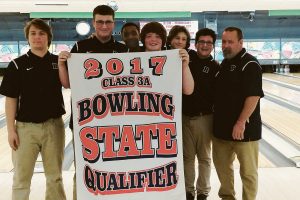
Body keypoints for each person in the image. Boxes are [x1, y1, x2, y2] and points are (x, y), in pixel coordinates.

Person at [58, 5, 128, 200]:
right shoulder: (80, 48)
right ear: (93, 23)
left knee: (113, 170)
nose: (104, 25)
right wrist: (63, 64)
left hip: (114, 123)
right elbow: (67, 83)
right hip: (85, 121)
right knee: (83, 169)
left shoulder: (123, 50)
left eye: (107, 22)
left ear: (113, 23)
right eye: (99, 21)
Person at [0, 18, 66, 200]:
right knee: (21, 179)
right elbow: (11, 99)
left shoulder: (57, 62)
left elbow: (67, 84)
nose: (37, 37)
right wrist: (11, 130)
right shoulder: (16, 65)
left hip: (54, 127)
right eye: (33, 33)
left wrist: (64, 62)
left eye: (42, 33)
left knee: (55, 178)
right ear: (28, 38)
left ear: (48, 37)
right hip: (25, 129)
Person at [213, 27, 264, 200]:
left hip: (245, 131)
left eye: (230, 42)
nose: (226, 45)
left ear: (241, 43)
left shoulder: (250, 64)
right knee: (222, 168)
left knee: (248, 172)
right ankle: (227, 197)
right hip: (221, 130)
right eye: (224, 42)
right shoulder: (224, 64)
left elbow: (254, 95)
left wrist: (240, 122)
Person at [168, 27, 219, 200]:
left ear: (213, 45)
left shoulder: (215, 66)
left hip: (205, 118)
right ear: (195, 44)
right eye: (201, 42)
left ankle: (203, 192)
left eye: (209, 43)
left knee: (204, 158)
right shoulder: (184, 57)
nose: (205, 45)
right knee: (187, 157)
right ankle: (189, 191)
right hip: (183, 117)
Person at [140, 21, 194, 95]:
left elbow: (188, 91)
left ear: (163, 40)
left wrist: (185, 66)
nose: (153, 39)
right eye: (149, 36)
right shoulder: (133, 59)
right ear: (143, 39)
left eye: (158, 36)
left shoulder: (172, 58)